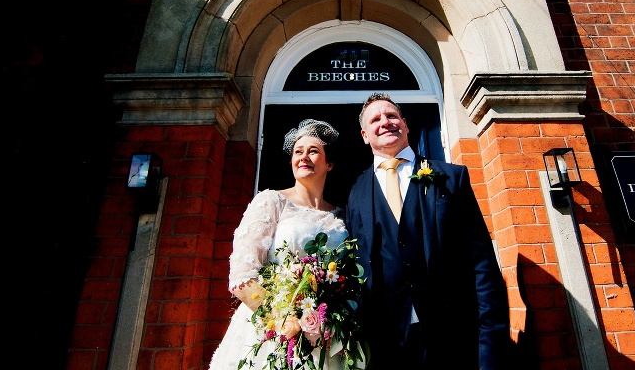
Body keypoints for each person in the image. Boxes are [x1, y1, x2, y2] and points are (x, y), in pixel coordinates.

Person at [345, 94, 510, 370]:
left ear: (405, 124)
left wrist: (491, 348)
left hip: (455, 338)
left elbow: (482, 264)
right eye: (375, 119)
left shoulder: (451, 177)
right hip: (387, 346)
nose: (385, 122)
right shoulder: (355, 194)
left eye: (392, 116)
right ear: (364, 135)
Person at [209, 119, 348, 370]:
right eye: (298, 151)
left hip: (327, 334)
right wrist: (287, 322)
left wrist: (327, 321)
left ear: (329, 163)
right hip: (273, 331)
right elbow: (243, 276)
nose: (303, 157)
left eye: (313, 151)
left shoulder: (340, 215)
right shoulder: (271, 201)